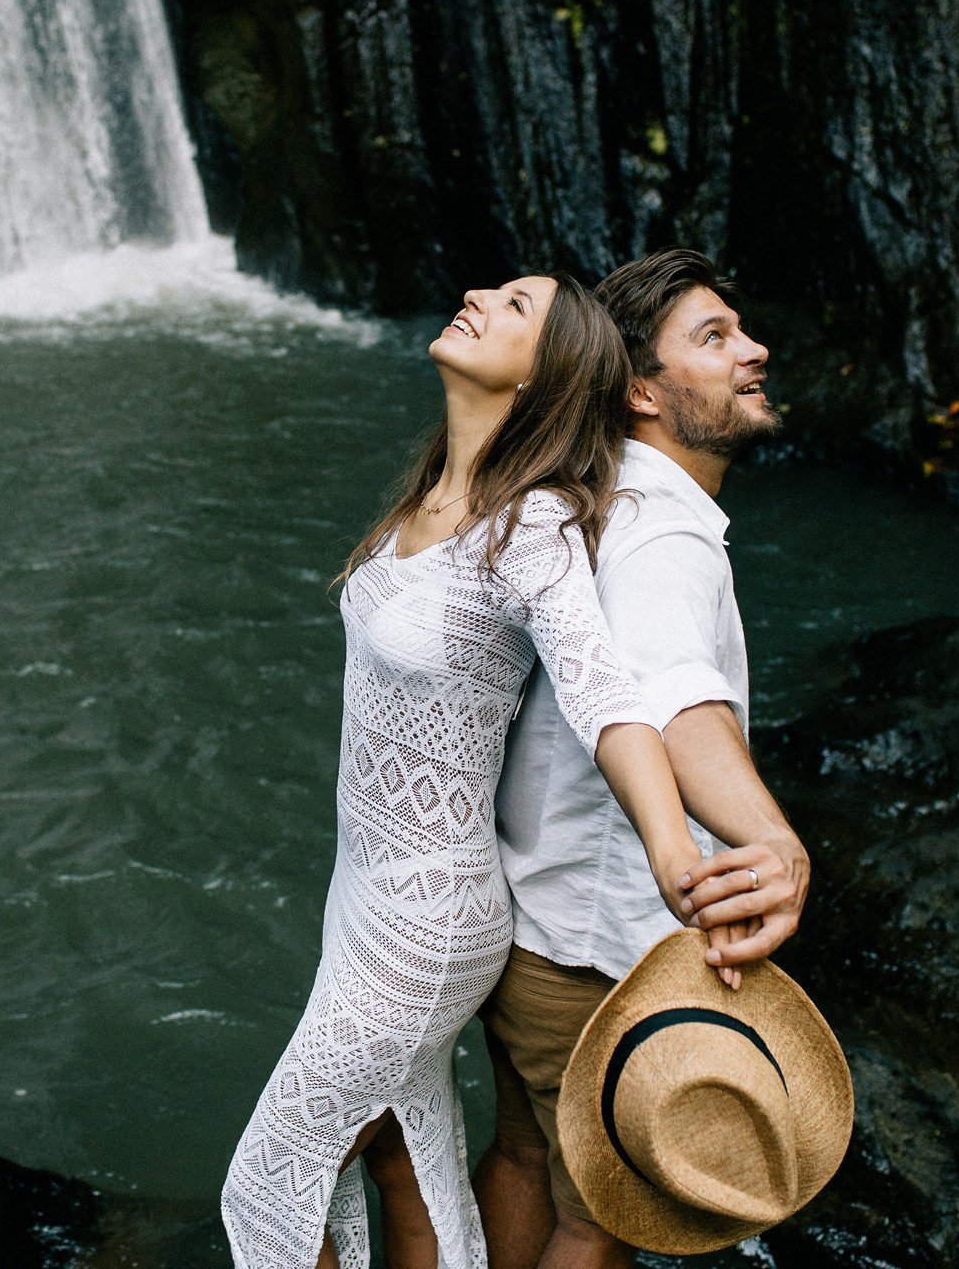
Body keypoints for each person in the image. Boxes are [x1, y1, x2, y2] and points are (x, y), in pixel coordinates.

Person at [221, 273, 714, 1269]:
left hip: (426, 914)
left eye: (518, 304)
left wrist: (675, 851)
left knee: (267, 1183)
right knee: (403, 1151)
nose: (479, 293)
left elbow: (606, 696)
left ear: (548, 373)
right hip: (361, 897)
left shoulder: (528, 526)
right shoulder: (434, 493)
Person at [472, 248, 811, 1269]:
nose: (751, 348)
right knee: (601, 1213)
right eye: (711, 338)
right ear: (642, 391)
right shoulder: (664, 535)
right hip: (594, 949)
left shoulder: (597, 496)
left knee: (526, 1153)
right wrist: (773, 839)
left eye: (739, 327)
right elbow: (675, 704)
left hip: (529, 923)